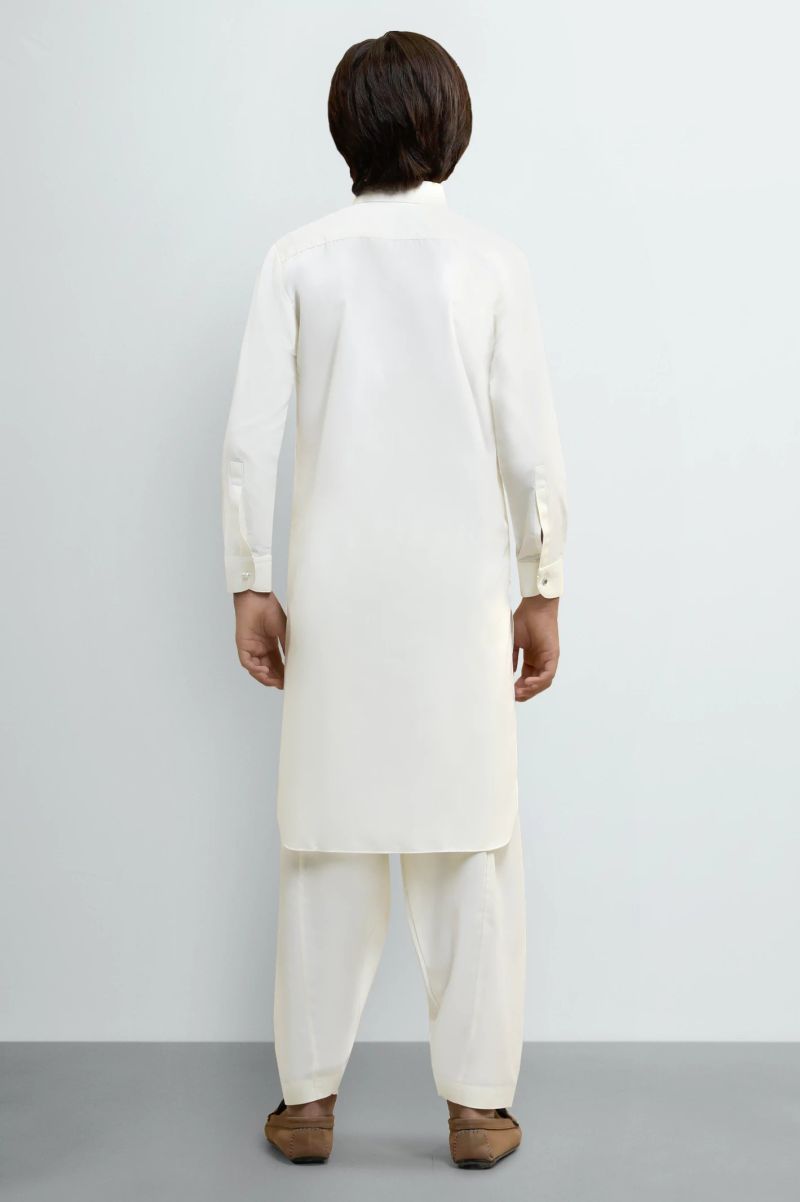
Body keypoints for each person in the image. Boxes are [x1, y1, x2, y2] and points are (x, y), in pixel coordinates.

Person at [221, 30, 567, 1170]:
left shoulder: (298, 261)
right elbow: (530, 450)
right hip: (458, 594)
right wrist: (542, 586)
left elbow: (250, 440)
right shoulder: (490, 264)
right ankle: (478, 1108)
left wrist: (250, 580)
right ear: (452, 128)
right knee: (472, 840)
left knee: (324, 839)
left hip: (335, 596)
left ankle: (307, 1101)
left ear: (345, 129)